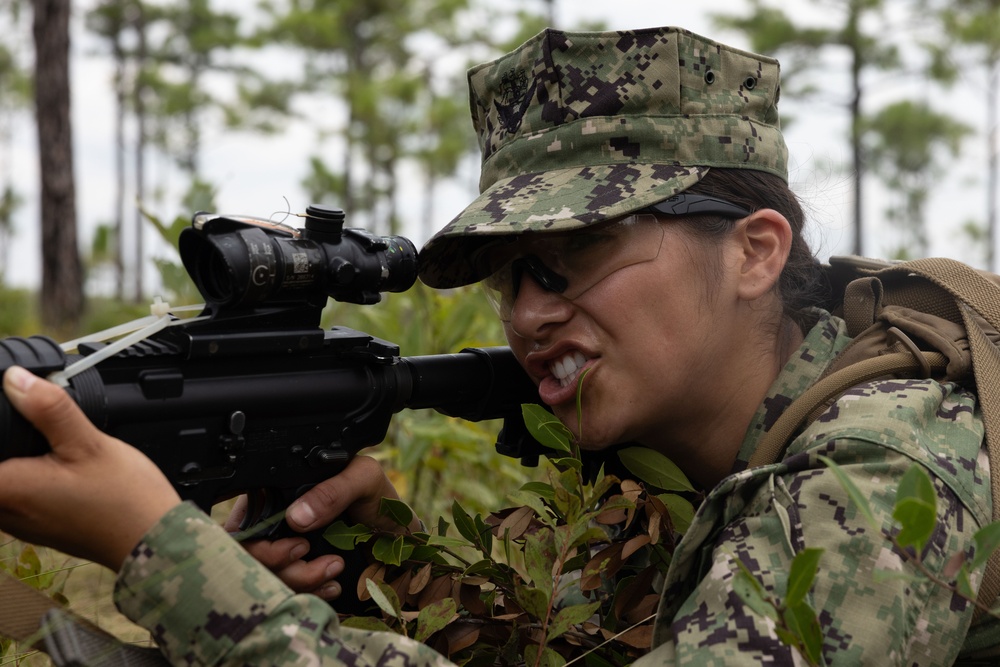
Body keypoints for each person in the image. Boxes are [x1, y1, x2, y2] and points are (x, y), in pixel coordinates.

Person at [0, 25, 990, 666]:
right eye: (509, 273)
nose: (527, 313)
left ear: (753, 254)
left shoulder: (877, 468)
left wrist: (165, 558)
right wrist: (387, 563)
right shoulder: (671, 449)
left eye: (573, 256)